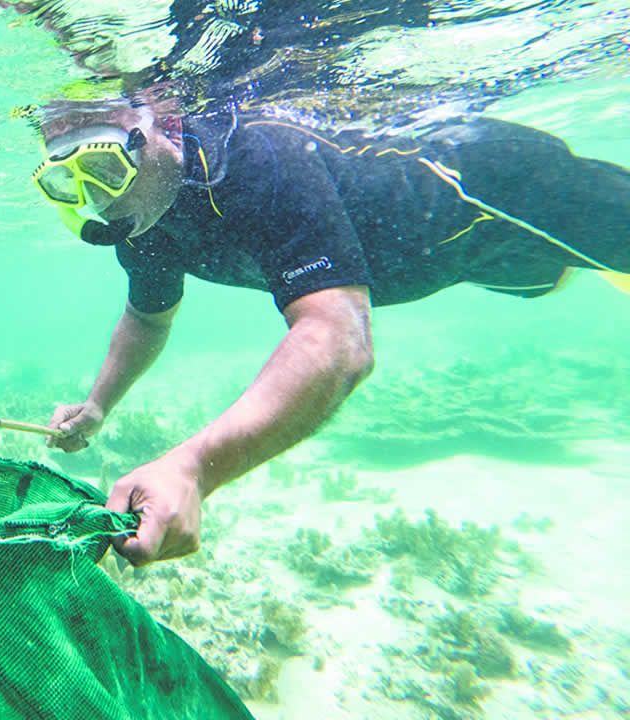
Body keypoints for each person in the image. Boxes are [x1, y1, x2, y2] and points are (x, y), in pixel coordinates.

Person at [32, 96, 630, 566]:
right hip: (463, 262)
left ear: (160, 124)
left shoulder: (256, 161)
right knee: (555, 278)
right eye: (66, 186)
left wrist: (193, 467)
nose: (96, 201)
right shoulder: (145, 218)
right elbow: (147, 316)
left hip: (503, 190)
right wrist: (98, 405)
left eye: (105, 168)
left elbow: (337, 339)